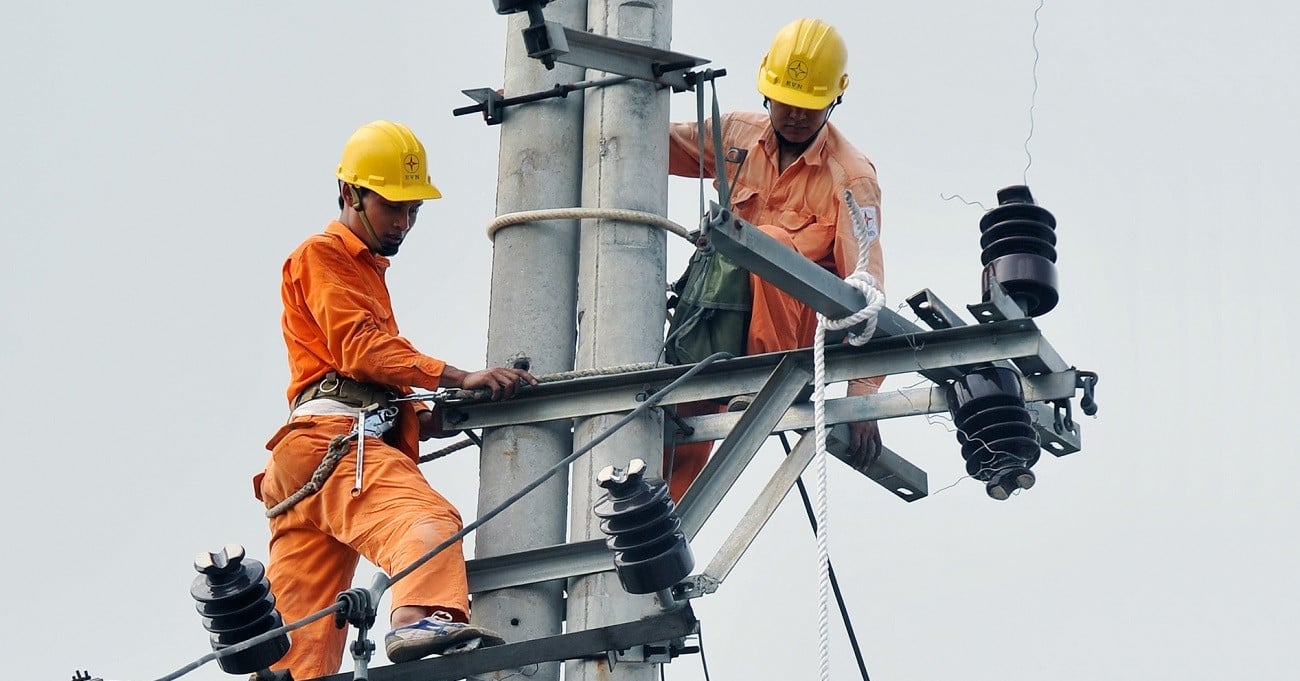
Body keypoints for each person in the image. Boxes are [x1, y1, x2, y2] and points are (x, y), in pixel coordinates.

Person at [253, 120, 537, 679]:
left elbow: (358, 374)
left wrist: (426, 418)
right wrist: (457, 376)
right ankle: (417, 616)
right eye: (392, 209)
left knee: (298, 641)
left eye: (412, 211)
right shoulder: (324, 255)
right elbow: (359, 350)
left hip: (311, 457)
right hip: (332, 448)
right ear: (349, 195)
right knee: (426, 523)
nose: (404, 224)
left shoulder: (362, 271)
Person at [664, 18, 885, 500]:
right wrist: (565, 106)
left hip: (790, 336)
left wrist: (861, 401)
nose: (797, 116)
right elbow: (646, 146)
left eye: (810, 106)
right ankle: (645, 553)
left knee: (765, 241)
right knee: (671, 436)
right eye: (787, 102)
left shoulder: (851, 178)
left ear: (834, 100)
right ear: (768, 92)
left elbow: (866, 297)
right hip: (718, 316)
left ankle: (760, 377)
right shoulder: (738, 135)